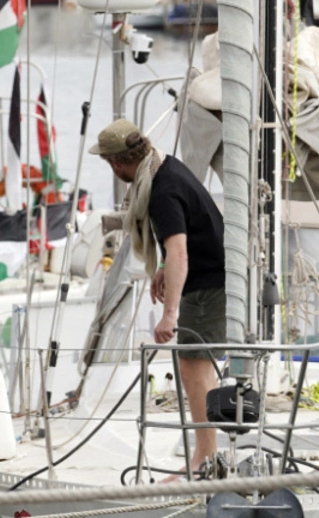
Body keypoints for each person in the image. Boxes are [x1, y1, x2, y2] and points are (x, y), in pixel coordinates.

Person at [91, 118, 225, 479]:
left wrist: (169, 315)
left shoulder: (162, 190)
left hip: (208, 284)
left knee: (193, 367)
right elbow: (182, 240)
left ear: (117, 163)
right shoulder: (166, 165)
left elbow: (180, 251)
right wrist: (163, 266)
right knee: (198, 367)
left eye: (109, 163)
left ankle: (204, 457)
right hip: (212, 277)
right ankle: (206, 454)